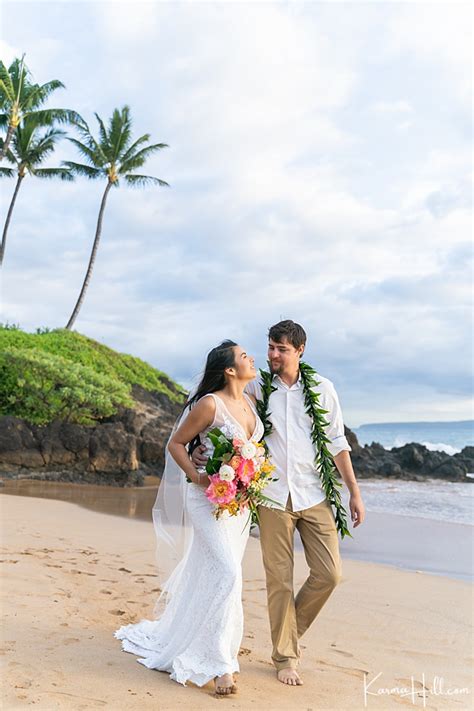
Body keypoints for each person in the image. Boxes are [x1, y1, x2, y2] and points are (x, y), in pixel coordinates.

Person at [193, 320, 366, 686]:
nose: (272, 355)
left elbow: (337, 441)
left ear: (300, 351)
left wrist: (354, 491)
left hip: (315, 493)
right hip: (272, 495)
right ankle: (285, 656)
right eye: (270, 347)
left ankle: (287, 635)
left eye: (281, 349)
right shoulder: (257, 385)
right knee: (279, 581)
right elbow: (223, 408)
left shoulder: (322, 388)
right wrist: (200, 449)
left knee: (330, 573)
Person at [114, 340, 264, 695]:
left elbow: (253, 451)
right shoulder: (209, 404)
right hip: (206, 500)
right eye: (244, 356)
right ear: (229, 369)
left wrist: (249, 477)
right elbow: (176, 444)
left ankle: (218, 648)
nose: (251, 358)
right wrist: (198, 477)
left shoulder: (250, 403)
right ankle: (220, 665)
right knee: (227, 573)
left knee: (220, 575)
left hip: (237, 506)